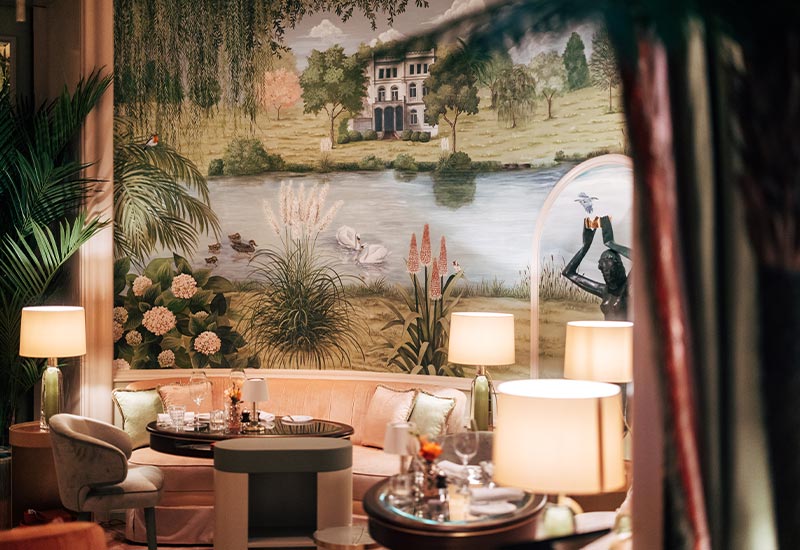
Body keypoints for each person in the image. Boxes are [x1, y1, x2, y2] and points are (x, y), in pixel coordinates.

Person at [562, 215, 631, 321]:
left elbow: (641, 258)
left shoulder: (627, 287)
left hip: (627, 331)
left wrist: (611, 243)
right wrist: (585, 246)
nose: (608, 277)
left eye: (611, 272)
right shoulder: (604, 290)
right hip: (606, 331)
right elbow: (568, 273)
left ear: (619, 268)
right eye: (605, 273)